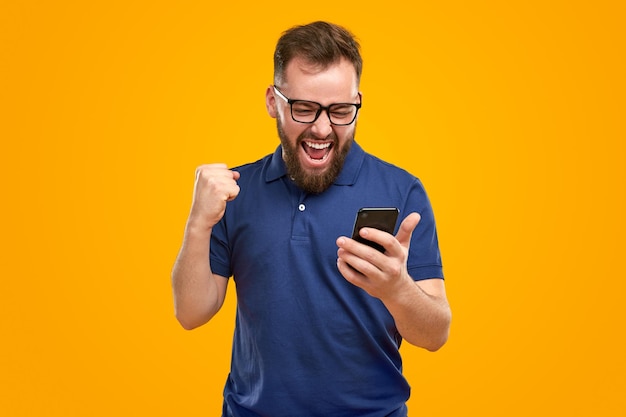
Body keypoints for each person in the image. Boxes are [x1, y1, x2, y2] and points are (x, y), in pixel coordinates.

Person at [172, 21, 451, 417]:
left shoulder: (401, 191)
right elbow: (191, 313)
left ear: (358, 102)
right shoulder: (234, 192)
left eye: (341, 111)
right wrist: (198, 223)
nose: (322, 128)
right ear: (273, 101)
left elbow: (436, 334)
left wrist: (396, 289)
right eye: (304, 108)